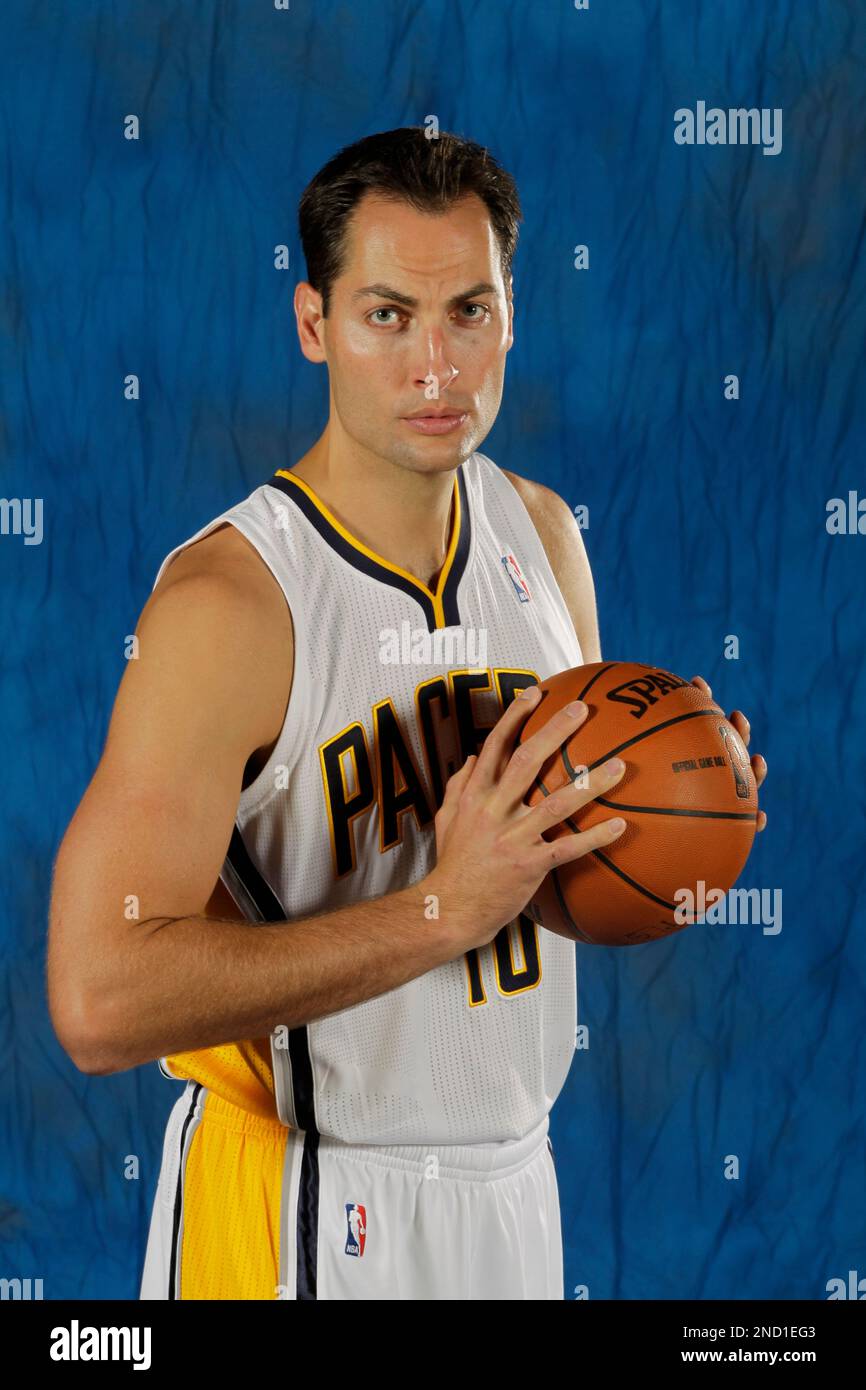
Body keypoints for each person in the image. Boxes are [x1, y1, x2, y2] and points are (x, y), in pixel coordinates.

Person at [47, 127, 767, 1301]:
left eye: (468, 313)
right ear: (312, 325)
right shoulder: (232, 604)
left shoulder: (542, 535)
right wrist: (441, 909)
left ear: (510, 315)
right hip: (304, 1204)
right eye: (388, 315)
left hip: (515, 1189)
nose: (436, 366)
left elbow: (558, 865)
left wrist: (674, 805)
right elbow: (97, 996)